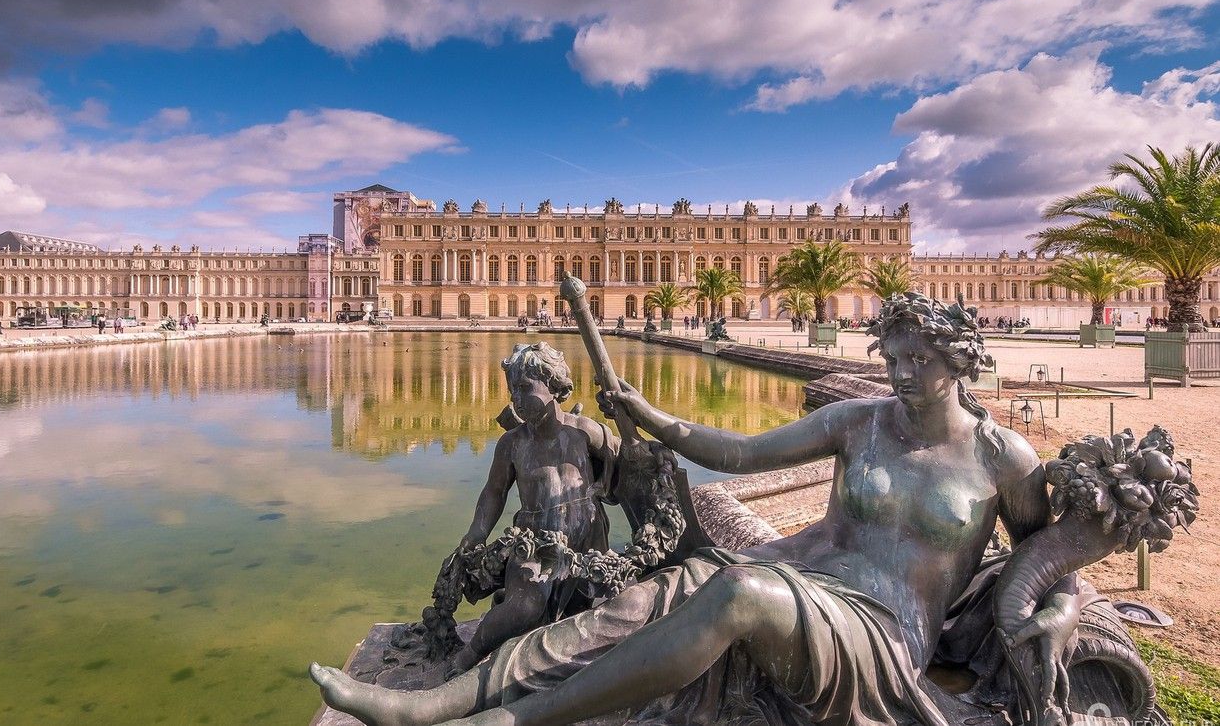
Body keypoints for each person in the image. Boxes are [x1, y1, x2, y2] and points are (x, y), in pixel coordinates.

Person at [311, 293, 1086, 726]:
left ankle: (512, 723)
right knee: (633, 603)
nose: (903, 372)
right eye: (892, 359)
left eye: (920, 360)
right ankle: (429, 705)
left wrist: (1063, 608)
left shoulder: (1002, 458)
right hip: (794, 572)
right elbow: (741, 455)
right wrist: (654, 417)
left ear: (959, 360)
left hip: (881, 632)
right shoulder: (863, 421)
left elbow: (1047, 556)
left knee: (737, 593)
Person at [447, 342, 617, 673]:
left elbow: (624, 465)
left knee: (603, 604)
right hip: (535, 542)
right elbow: (494, 493)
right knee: (526, 606)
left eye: (526, 388)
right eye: (513, 392)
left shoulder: (585, 431)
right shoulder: (512, 444)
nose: (517, 400)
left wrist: (623, 417)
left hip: (588, 540)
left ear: (555, 385)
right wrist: (477, 531)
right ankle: (469, 654)